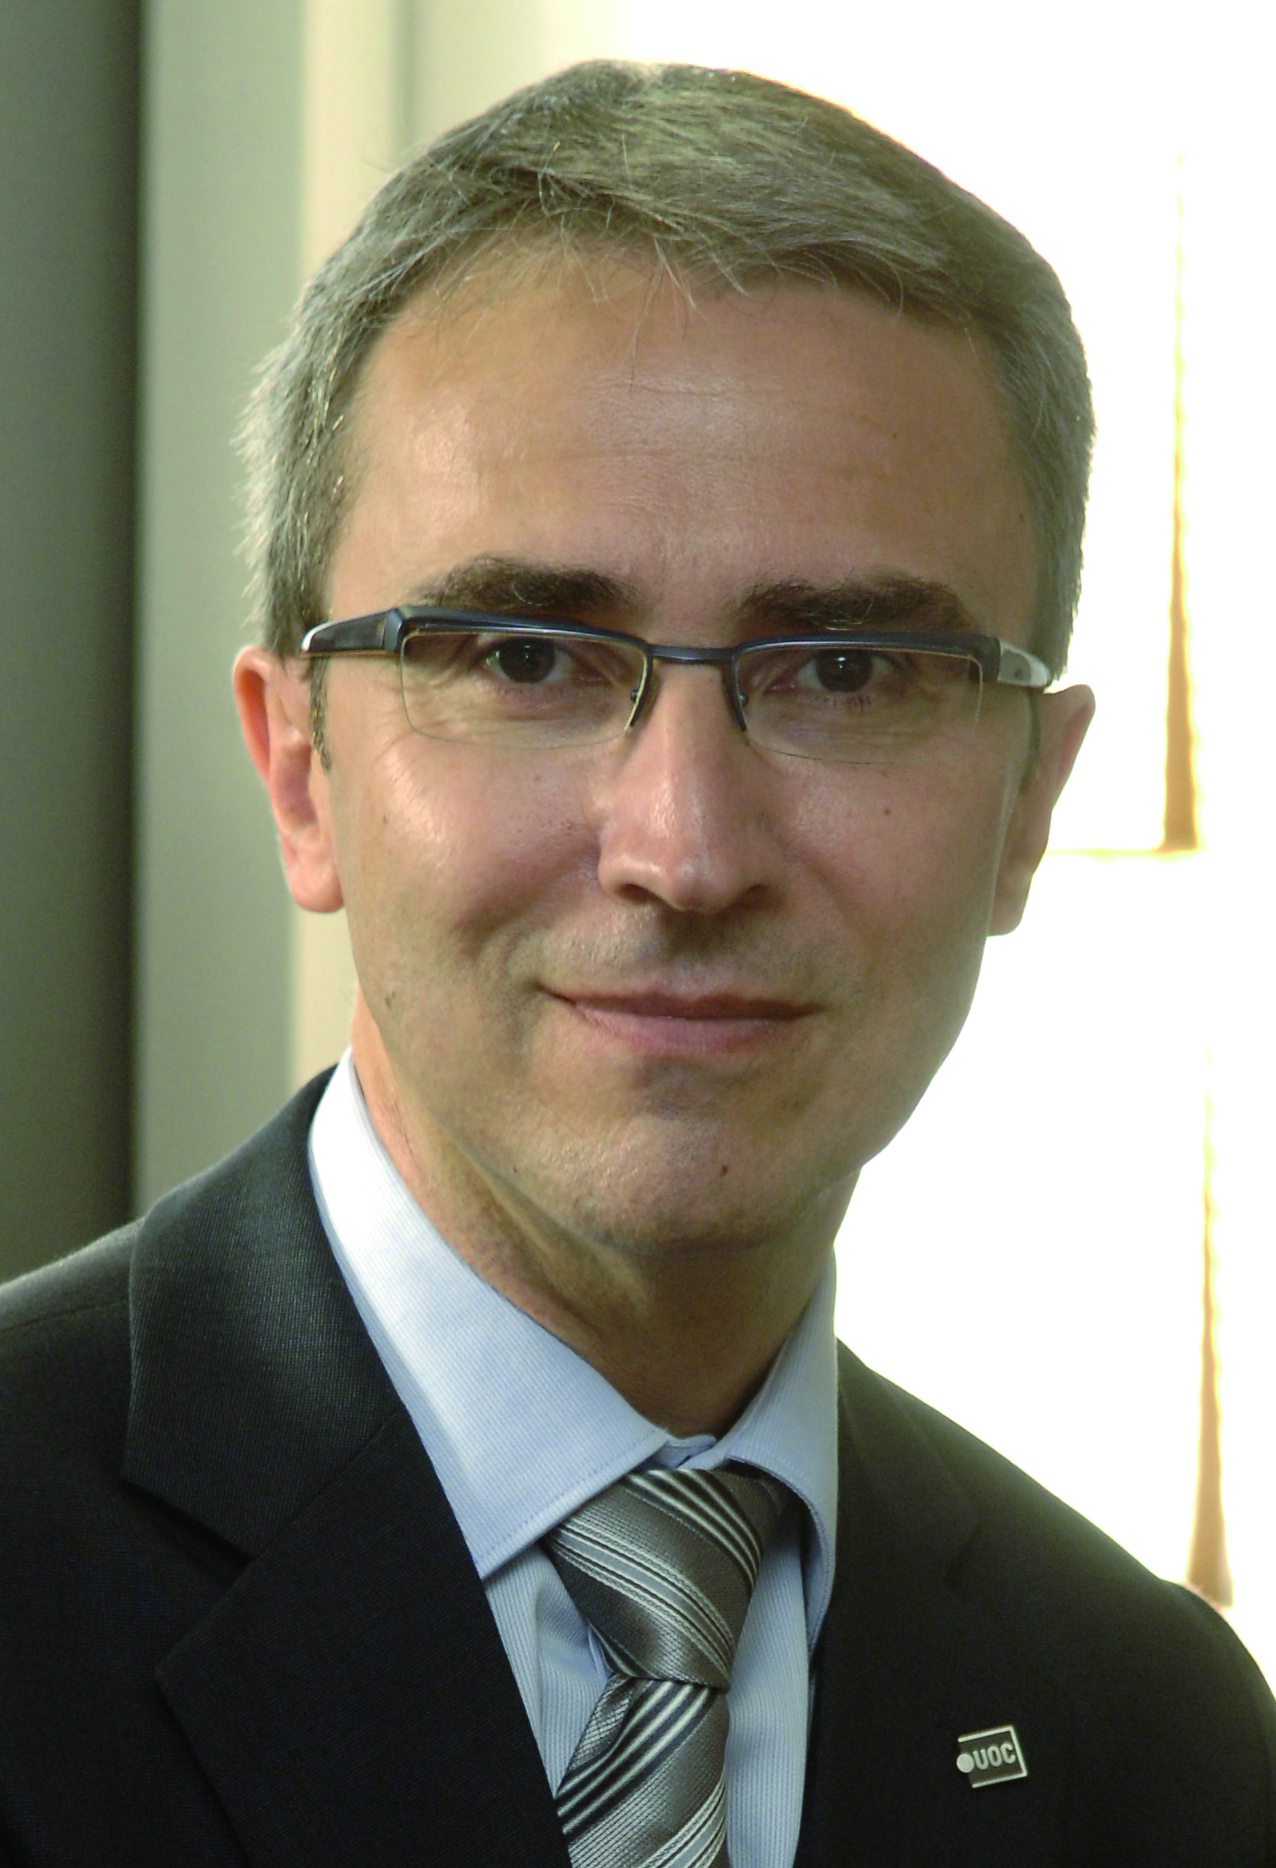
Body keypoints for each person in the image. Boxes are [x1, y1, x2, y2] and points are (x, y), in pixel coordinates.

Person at [0, 60, 1272, 1868]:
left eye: (847, 671)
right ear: (301, 774)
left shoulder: (1158, 1740)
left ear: (1026, 811)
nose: (685, 850)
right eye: (527, 658)